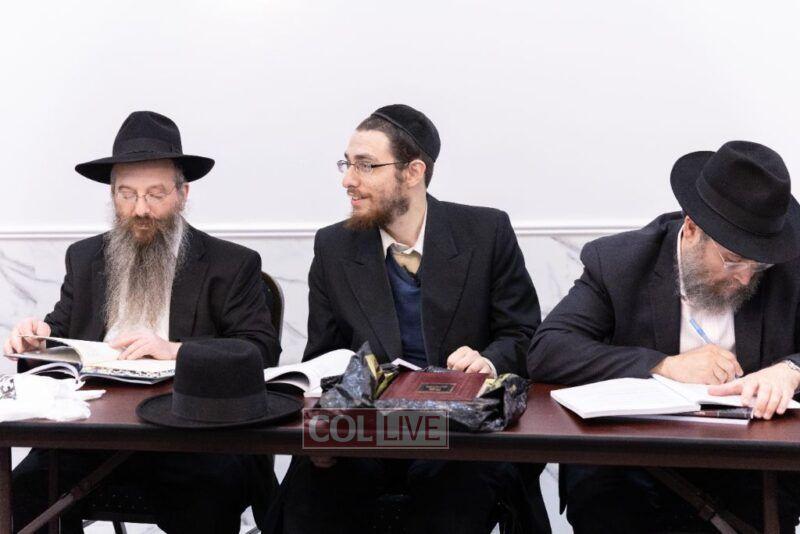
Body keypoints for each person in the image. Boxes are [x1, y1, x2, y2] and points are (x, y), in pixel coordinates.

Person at [273, 104, 549, 533]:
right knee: (308, 498)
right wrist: (329, 422)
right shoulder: (333, 247)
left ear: (413, 172)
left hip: (461, 434)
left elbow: (523, 333)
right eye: (347, 164)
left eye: (366, 165)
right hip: (368, 434)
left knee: (450, 496)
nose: (348, 180)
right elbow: (324, 357)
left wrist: (488, 361)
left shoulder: (486, 232)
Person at [5, 110, 278, 534]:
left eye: (155, 194)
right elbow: (60, 339)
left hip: (191, 438)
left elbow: (259, 351)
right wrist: (37, 339)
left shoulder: (231, 264)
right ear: (113, 196)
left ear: (183, 194)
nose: (140, 210)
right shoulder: (85, 258)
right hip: (92, 436)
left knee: (211, 492)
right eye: (127, 195)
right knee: (23, 491)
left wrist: (176, 351)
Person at [528, 140, 800, 532]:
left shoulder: (787, 267)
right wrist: (665, 365)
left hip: (746, 462)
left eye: (757, 265)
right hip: (634, 459)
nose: (745, 278)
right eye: (732, 261)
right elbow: (549, 348)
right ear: (690, 229)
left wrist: (789, 369)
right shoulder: (619, 262)